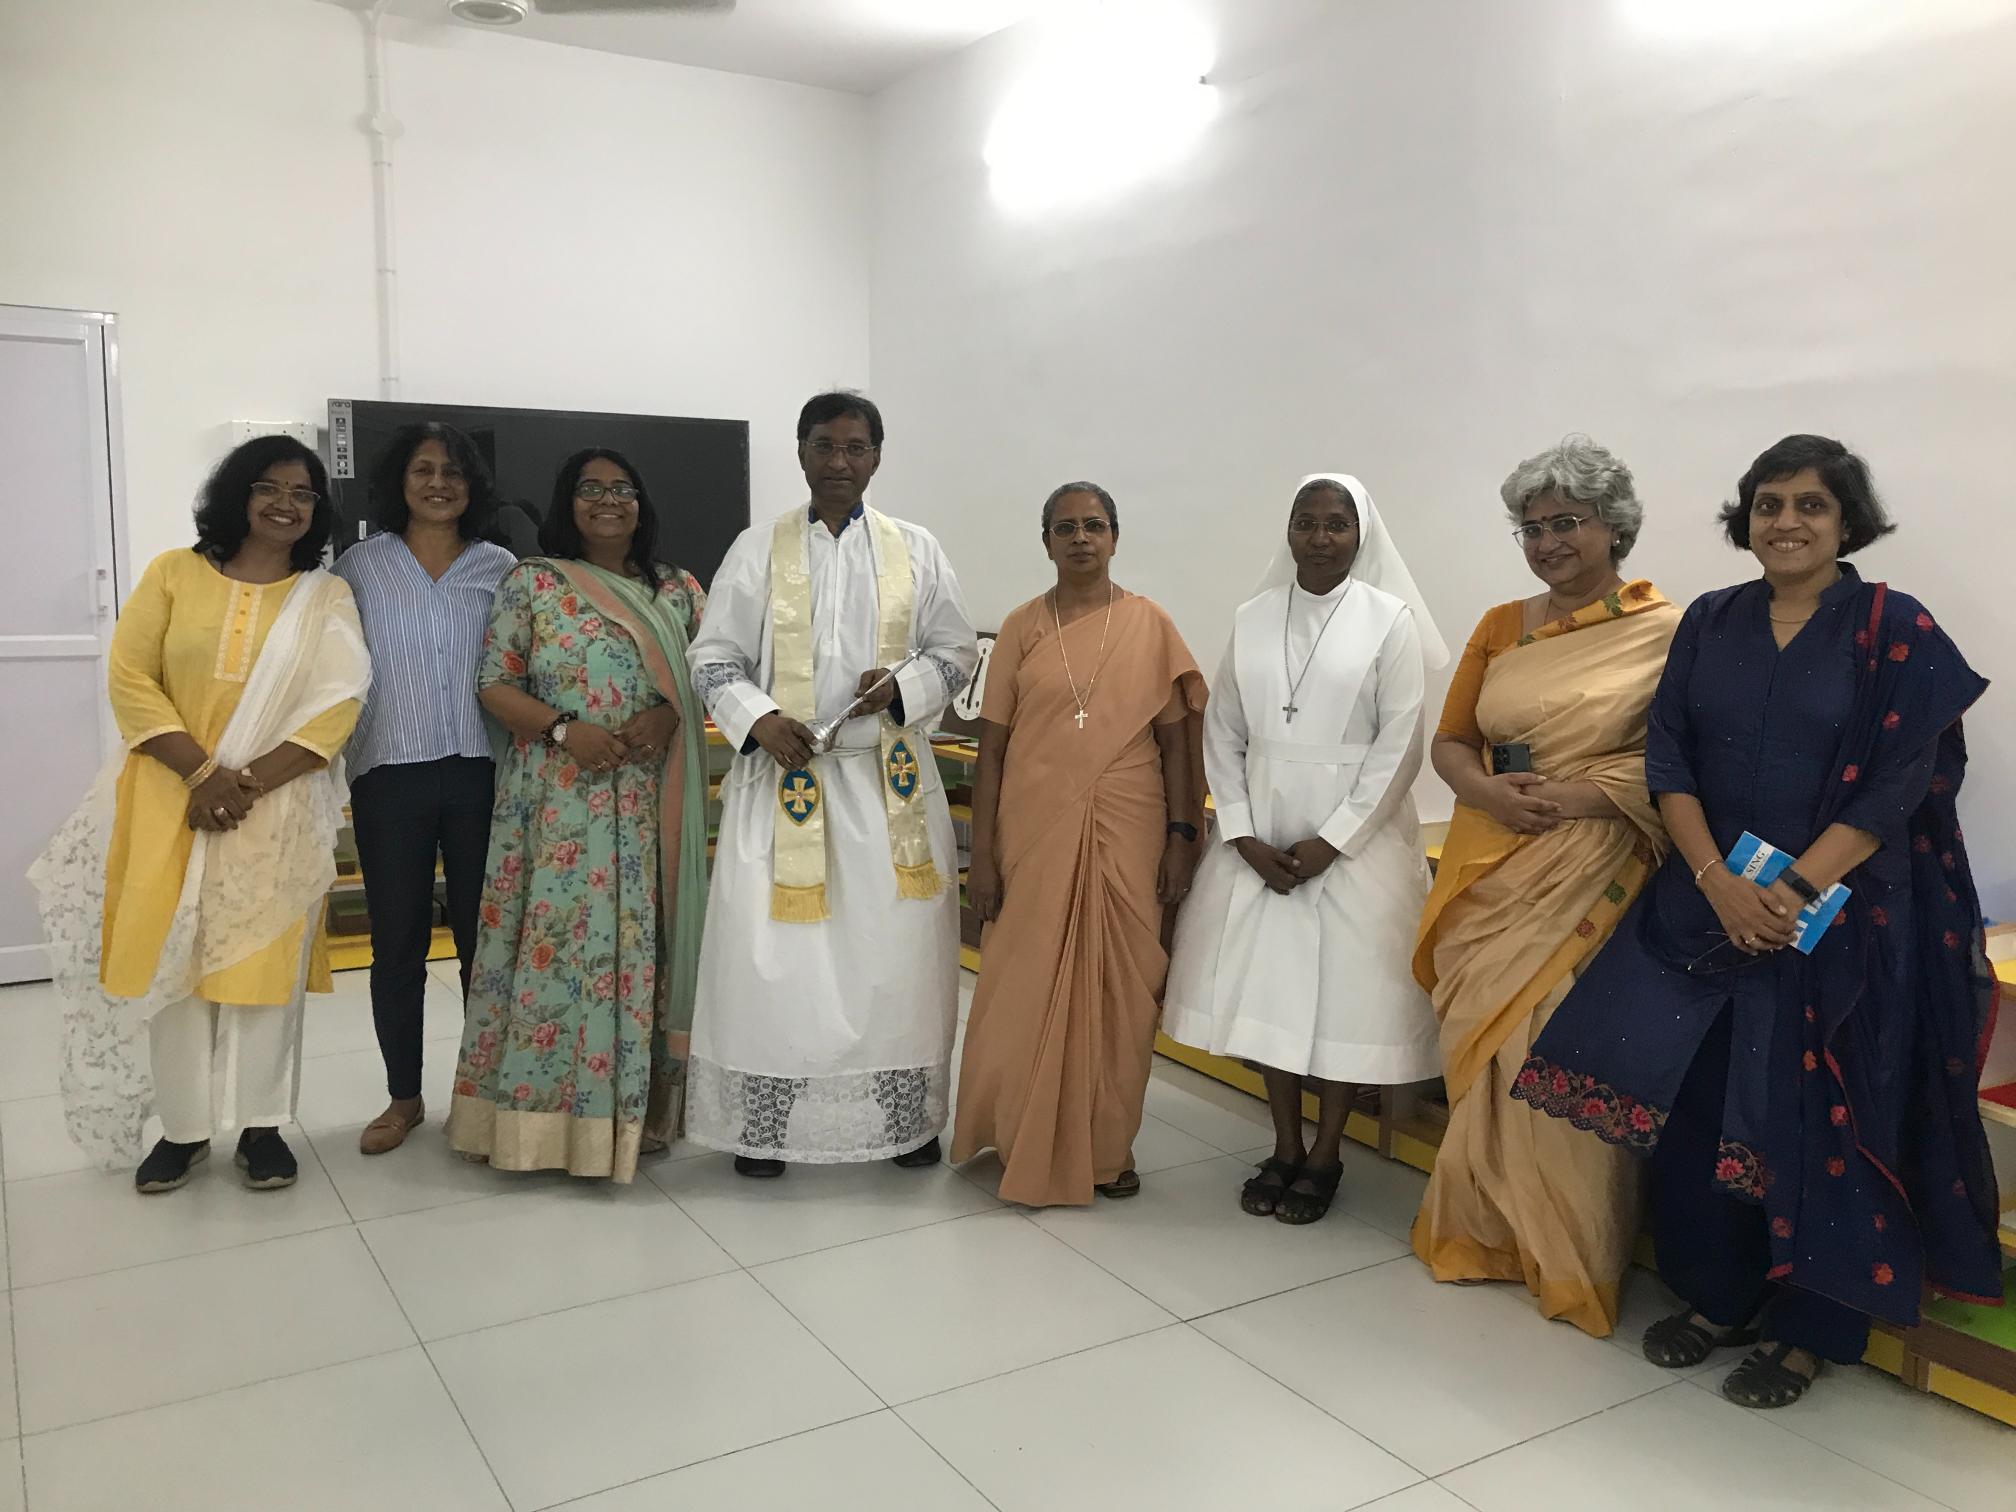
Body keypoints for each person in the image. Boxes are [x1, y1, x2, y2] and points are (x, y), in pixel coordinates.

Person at [1516, 435, 2001, 1404]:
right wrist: (1716, 879)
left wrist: (1790, 892)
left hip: (1835, 929)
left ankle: (1812, 1330)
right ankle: (1718, 1295)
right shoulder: (1712, 620)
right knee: (1699, 1106)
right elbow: (1669, 758)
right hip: (1704, 912)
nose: (1786, 522)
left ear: (1847, 520)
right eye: (1769, 504)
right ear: (1746, 519)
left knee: (1819, 1119)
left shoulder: (1893, 629)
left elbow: (1902, 782)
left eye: (1810, 505)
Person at [32, 436, 369, 1191]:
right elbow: (130, 678)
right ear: (236, 494)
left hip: (273, 807)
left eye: (303, 493)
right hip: (168, 798)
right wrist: (203, 774)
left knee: (261, 966)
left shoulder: (324, 596)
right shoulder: (172, 573)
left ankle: (261, 1126)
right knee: (175, 964)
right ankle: (183, 1131)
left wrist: (241, 785)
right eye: (268, 487)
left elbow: (338, 703)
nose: (285, 504)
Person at [1408, 437, 1679, 1335]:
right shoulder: (1501, 625)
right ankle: (1480, 1233)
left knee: (1560, 1053)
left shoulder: (1668, 633)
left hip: (1595, 871)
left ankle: (1570, 1261)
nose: (1548, 542)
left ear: (1614, 527)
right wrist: (1486, 791)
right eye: (1532, 528)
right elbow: (1453, 739)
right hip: (1492, 862)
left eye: (1568, 522)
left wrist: (1582, 797)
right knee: (1486, 1048)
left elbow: (1684, 762)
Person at [686, 391, 979, 1177]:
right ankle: (765, 1127)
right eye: (824, 446)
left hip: (887, 792)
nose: (839, 462)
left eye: (855, 448)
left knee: (895, 962)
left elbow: (956, 652)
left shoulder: (917, 548)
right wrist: (760, 720)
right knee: (776, 963)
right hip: (784, 784)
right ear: (801, 452)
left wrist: (904, 685)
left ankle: (904, 1122)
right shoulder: (757, 548)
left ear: (877, 456)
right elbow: (711, 658)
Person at [1163, 475, 1446, 1225]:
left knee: (1347, 1003)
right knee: (1270, 996)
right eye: (1306, 522)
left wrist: (1333, 842)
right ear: (1288, 530)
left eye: (1336, 524)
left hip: (1355, 841)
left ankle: (1326, 1154)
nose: (1320, 538)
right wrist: (1242, 832)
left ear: (1361, 534)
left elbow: (1400, 744)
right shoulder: (1253, 616)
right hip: (1260, 836)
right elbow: (1223, 730)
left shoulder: (1389, 621)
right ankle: (1284, 1145)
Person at [444, 448, 710, 1183]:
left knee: (640, 951)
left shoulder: (680, 590)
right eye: (591, 489)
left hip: (650, 805)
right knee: (553, 953)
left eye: (623, 488)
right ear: (568, 502)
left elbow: (707, 677)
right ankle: (536, 1128)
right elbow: (494, 683)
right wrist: (565, 730)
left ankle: (636, 1117)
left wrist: (668, 714)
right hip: (556, 805)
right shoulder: (534, 582)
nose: (608, 500)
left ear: (641, 503)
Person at [951, 483, 1205, 1206]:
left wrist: (1183, 838)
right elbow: (992, 751)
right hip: (1033, 833)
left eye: (1094, 525)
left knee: (1120, 995)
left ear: (1115, 537)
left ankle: (1104, 1149)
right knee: (1021, 986)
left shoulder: (1150, 624)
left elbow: (1178, 745)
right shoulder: (1022, 627)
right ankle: (1019, 1133)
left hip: (1130, 829)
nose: (1081, 538)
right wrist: (983, 856)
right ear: (1046, 542)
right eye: (1065, 528)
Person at [334, 422, 515, 1154]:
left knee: (485, 942)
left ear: (474, 486)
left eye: (454, 472)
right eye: (423, 470)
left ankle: (484, 1098)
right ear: (399, 481)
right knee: (398, 942)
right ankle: (403, 1098)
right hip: (389, 774)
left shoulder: (500, 566)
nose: (439, 483)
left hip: (483, 773)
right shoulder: (359, 566)